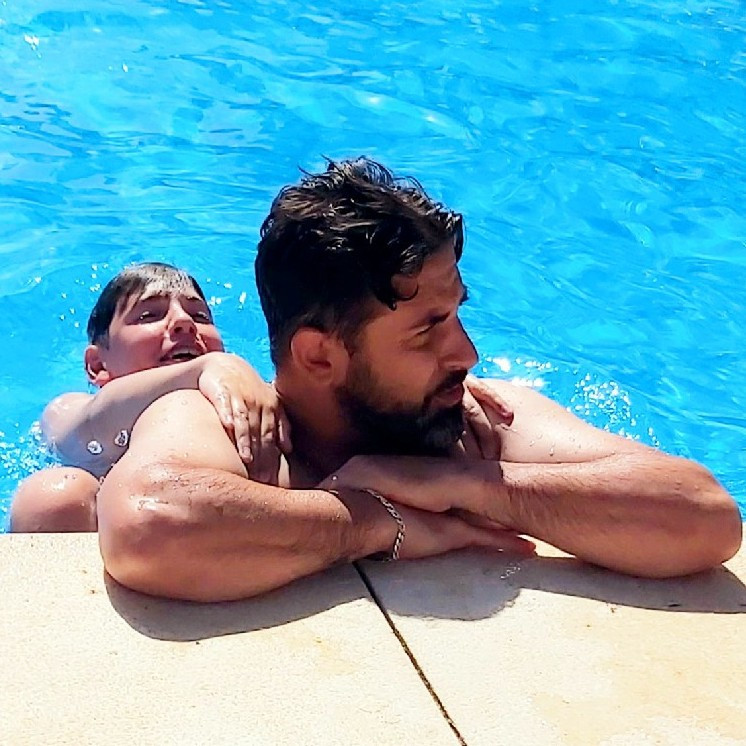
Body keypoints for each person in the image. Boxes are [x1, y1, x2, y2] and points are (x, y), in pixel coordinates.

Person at [95, 158, 742, 602]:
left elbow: (705, 517)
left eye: (457, 314)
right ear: (319, 356)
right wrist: (372, 521)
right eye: (428, 329)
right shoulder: (233, 427)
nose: (468, 354)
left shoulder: (476, 421)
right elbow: (153, 525)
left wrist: (469, 485)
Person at [9, 262, 289, 532]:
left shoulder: (246, 401)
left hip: (209, 519)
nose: (185, 322)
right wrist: (209, 366)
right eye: (149, 316)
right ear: (98, 366)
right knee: (53, 495)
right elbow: (94, 420)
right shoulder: (68, 407)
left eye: (201, 317)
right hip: (119, 523)